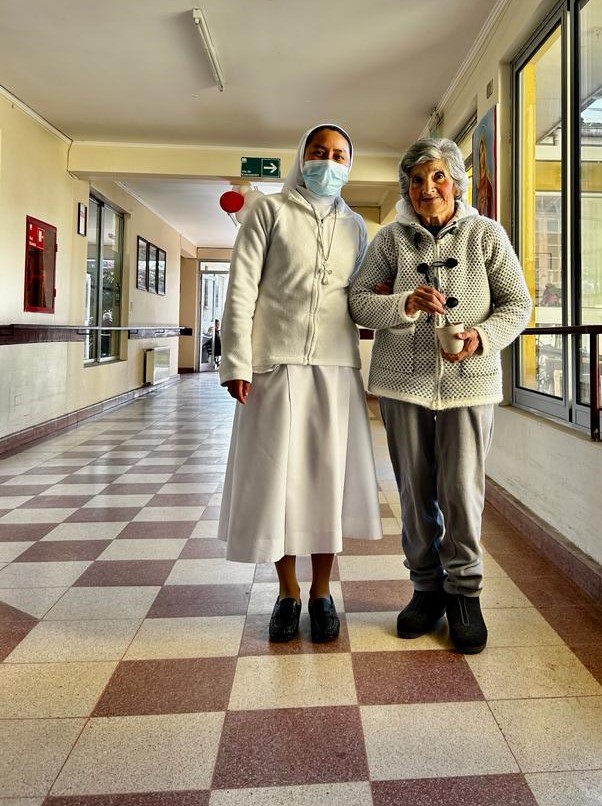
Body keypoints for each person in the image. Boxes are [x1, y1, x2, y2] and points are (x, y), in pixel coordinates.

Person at [349, 138, 532, 654]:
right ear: (406, 188)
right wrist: (404, 305)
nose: (427, 188)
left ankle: (465, 594)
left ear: (456, 181)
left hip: (468, 383)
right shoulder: (390, 240)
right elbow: (360, 303)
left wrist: (481, 337)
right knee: (414, 489)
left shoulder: (485, 235)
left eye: (437, 177)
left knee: (459, 489)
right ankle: (425, 588)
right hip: (402, 381)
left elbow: (517, 305)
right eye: (416, 180)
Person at [218, 123, 383, 644]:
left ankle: (322, 592)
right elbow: (241, 287)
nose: (327, 163)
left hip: (335, 369)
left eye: (338, 156)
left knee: (326, 480)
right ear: (302, 157)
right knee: (279, 481)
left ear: (348, 165)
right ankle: (288, 592)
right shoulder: (268, 210)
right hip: (275, 366)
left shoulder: (356, 226)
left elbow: (359, 300)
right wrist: (236, 362)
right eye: (319, 153)